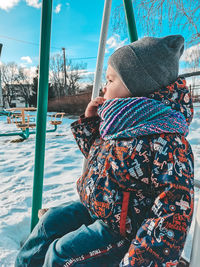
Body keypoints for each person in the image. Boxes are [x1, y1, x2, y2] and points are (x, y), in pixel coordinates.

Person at [15, 35, 194, 267]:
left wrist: (140, 260)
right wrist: (91, 124)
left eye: (110, 80)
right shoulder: (120, 121)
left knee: (62, 254)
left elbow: (172, 214)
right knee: (49, 222)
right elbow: (100, 159)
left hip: (125, 231)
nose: (103, 87)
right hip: (99, 207)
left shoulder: (168, 141)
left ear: (137, 86)